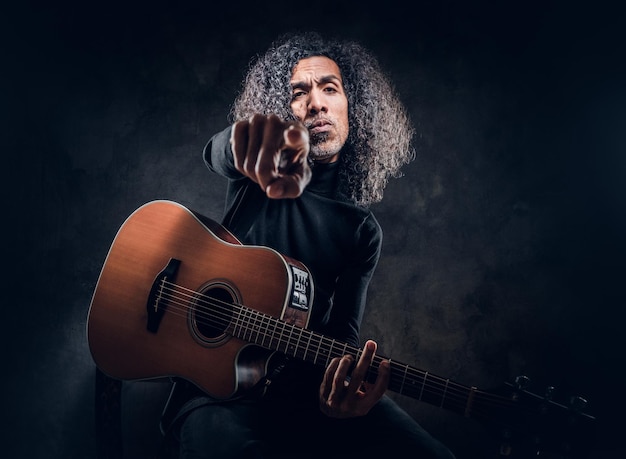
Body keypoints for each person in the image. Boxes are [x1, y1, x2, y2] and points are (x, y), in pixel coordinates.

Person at [162, 31, 456, 459]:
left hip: (302, 393)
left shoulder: (362, 231)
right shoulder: (257, 175)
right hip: (213, 393)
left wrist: (346, 391)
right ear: (284, 112)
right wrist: (248, 142)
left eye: (329, 89)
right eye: (298, 93)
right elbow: (218, 152)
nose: (315, 102)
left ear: (354, 110)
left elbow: (342, 338)